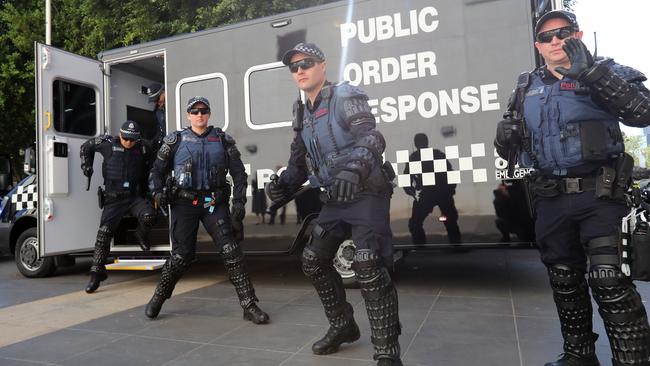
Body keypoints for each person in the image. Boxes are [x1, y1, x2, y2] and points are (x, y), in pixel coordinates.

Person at [494, 10, 650, 366]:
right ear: (538, 45)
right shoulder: (525, 87)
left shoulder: (606, 71)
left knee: (609, 283)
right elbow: (512, 146)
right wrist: (502, 140)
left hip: (601, 195)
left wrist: (593, 74)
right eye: (547, 37)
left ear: (576, 34)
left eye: (563, 33)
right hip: (550, 198)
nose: (555, 41)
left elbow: (643, 113)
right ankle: (579, 356)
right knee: (564, 282)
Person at [267, 42, 402, 366]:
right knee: (313, 259)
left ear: (322, 66)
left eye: (306, 63)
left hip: (367, 191)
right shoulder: (301, 113)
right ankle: (343, 325)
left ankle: (387, 353)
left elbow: (372, 137)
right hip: (334, 198)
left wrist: (354, 168)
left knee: (368, 265)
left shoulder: (345, 95)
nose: (300, 70)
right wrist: (283, 186)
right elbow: (298, 161)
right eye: (294, 66)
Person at [145, 96, 269, 324]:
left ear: (209, 114)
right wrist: (158, 193)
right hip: (184, 205)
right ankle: (158, 298)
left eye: (203, 111)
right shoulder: (175, 141)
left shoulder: (222, 140)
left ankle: (249, 305)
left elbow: (240, 175)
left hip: (214, 203)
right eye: (195, 111)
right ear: (188, 115)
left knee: (232, 252)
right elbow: (156, 172)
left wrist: (239, 205)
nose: (199, 115)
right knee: (181, 257)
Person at [80, 121, 155, 293]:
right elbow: (86, 147)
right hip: (113, 198)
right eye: (126, 138)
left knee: (149, 216)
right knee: (104, 234)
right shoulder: (107, 144)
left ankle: (140, 234)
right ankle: (96, 273)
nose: (129, 142)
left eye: (132, 140)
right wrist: (86, 165)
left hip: (134, 197)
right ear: (120, 135)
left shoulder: (142, 147)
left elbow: (157, 158)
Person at [403, 133, 461, 244]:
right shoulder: (437, 154)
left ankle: (420, 246)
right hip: (441, 193)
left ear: (416, 144)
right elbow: (450, 173)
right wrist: (450, 190)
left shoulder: (415, 157)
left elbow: (407, 176)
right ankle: (456, 243)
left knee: (415, 223)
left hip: (431, 193)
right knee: (450, 220)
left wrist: (409, 189)